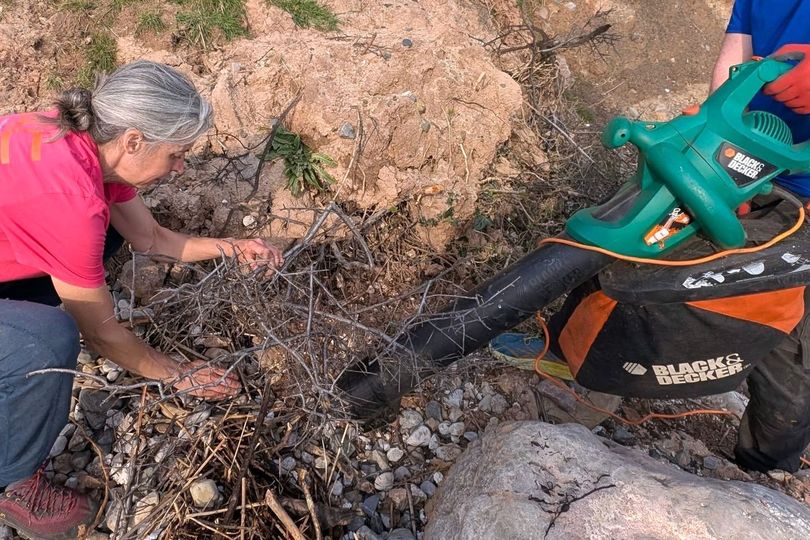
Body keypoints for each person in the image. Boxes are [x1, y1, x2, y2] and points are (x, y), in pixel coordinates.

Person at [0, 60, 283, 538]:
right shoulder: (72, 201)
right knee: (49, 340)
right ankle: (13, 482)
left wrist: (232, 248)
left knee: (106, 237)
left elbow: (149, 236)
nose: (180, 167)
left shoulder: (70, 130)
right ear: (134, 140)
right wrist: (181, 375)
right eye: (176, 154)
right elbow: (102, 333)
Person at [710, 0, 810, 474]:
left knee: (794, 346)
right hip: (753, 164)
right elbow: (736, 55)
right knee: (647, 253)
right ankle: (569, 380)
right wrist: (713, 137)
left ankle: (762, 470)